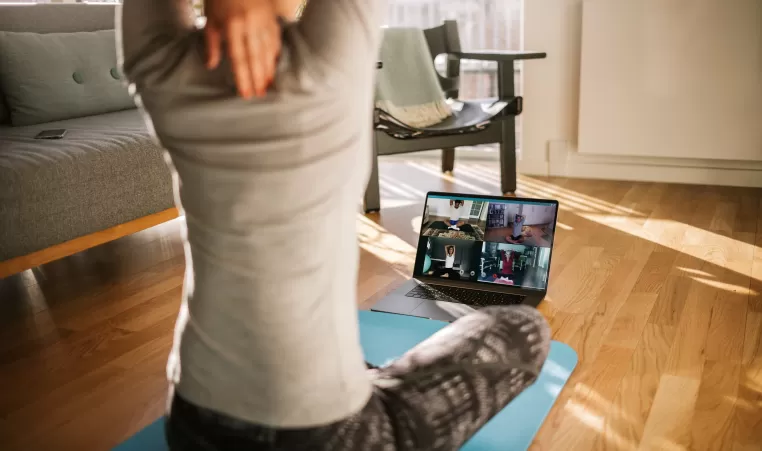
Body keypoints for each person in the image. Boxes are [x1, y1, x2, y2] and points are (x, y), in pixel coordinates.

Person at [118, 0, 551, 449]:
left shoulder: (161, 66)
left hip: (194, 420)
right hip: (329, 434)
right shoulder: (327, 59)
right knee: (523, 329)